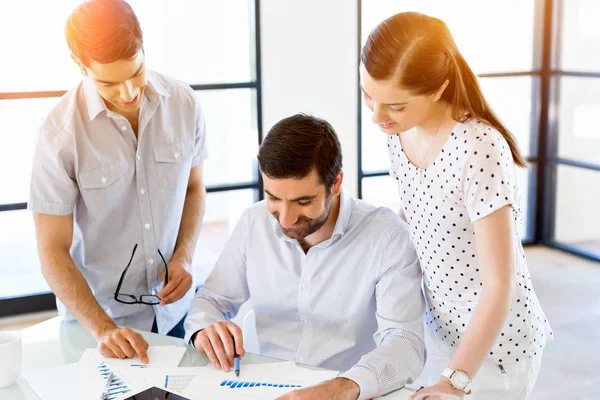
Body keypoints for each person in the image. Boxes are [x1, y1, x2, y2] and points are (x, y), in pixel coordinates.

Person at [359, 11, 553, 400]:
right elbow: (420, 212)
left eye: (395, 105)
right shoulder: (398, 133)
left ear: (436, 89)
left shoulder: (479, 148)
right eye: (368, 96)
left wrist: (455, 379)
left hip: (494, 349)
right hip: (440, 332)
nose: (377, 116)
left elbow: (501, 283)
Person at [184, 114, 426, 400]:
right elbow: (211, 300)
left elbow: (406, 343)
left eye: (302, 201)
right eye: (274, 198)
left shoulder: (388, 237)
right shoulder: (254, 221)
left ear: (335, 183)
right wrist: (204, 330)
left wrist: (344, 388)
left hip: (345, 391)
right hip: (257, 388)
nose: (285, 219)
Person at [29, 0, 207, 362]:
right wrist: (102, 328)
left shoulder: (185, 103)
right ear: (81, 66)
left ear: (143, 47)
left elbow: (193, 188)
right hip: (100, 324)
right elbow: (51, 250)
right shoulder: (58, 134)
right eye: (109, 82)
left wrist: (185, 256)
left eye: (136, 72)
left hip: (176, 312)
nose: (128, 93)